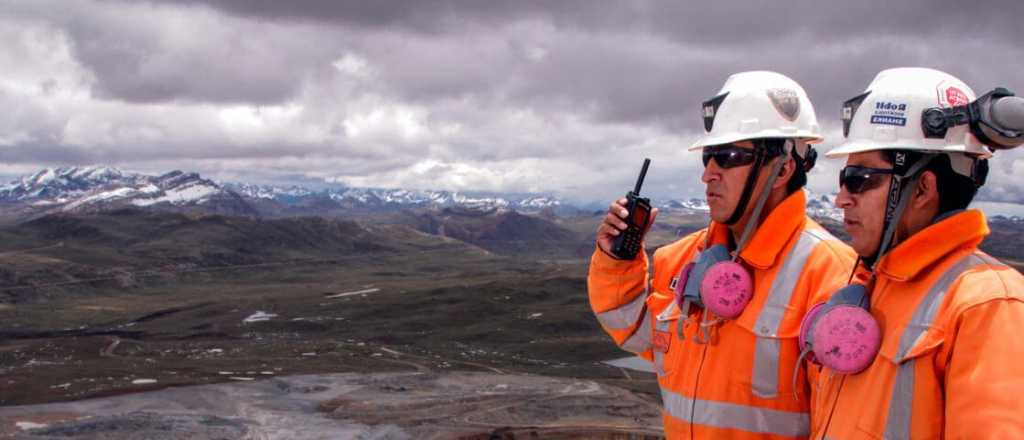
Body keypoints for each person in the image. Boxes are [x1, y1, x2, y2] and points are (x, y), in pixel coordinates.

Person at [589, 71, 856, 439]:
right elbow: (635, 331)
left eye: (728, 157)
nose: (708, 175)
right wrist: (616, 261)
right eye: (709, 157)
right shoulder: (680, 259)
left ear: (783, 169)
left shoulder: (833, 276)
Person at [804, 67, 1024, 438]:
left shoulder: (987, 307)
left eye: (860, 179)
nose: (842, 198)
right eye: (844, 180)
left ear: (923, 188)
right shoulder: (871, 289)